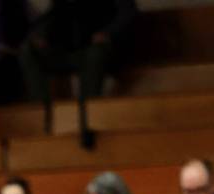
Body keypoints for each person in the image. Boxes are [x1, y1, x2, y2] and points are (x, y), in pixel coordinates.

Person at [19, 1, 137, 149]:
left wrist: (108, 33)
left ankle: (88, 124)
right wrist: (39, 35)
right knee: (28, 51)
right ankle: (41, 120)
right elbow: (52, 15)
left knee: (95, 55)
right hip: (66, 50)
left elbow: (127, 13)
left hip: (98, 49)